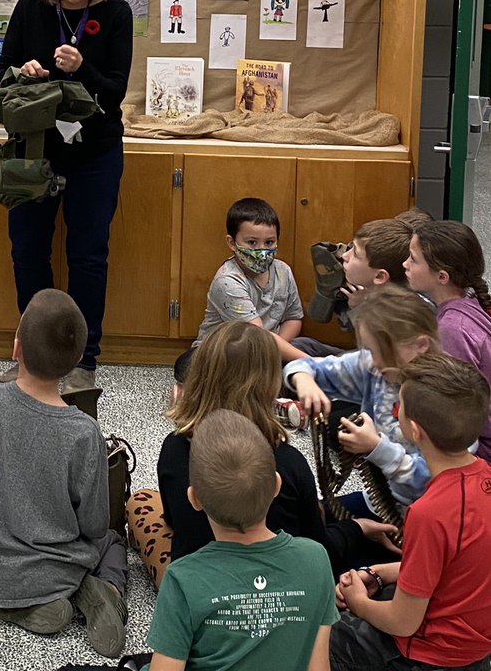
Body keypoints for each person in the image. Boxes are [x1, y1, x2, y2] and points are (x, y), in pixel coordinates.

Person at [131, 323, 397, 589]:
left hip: (202, 581)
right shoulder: (287, 461)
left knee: (140, 502)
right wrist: (357, 528)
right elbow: (318, 550)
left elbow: (175, 521)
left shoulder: (173, 447)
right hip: (282, 585)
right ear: (270, 384)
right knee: (373, 541)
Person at [0, 0, 134, 391]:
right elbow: (0, 75)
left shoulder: (116, 14)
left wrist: (83, 67)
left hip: (94, 153)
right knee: (26, 252)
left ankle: (82, 360)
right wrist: (22, 69)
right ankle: (34, 354)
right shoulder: (30, 7)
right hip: (35, 150)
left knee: (88, 255)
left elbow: (114, 92)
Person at [0, 289, 128, 659]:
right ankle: (108, 593)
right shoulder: (82, 431)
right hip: (62, 567)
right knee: (114, 541)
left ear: (16, 347)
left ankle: (19, 605)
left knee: (8, 587)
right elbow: (94, 524)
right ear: (74, 365)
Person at [332, 353, 491, 671]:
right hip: (476, 645)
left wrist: (359, 603)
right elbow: (454, 566)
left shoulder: (428, 513)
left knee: (326, 637)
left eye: (399, 404)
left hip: (430, 655)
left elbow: (403, 623)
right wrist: (378, 572)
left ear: (415, 430)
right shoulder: (484, 477)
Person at [147, 410, 338, 671]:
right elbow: (318, 667)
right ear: (276, 485)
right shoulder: (316, 558)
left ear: (194, 499)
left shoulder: (182, 578)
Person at [285, 286, 439, 510]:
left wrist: (377, 448)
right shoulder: (376, 368)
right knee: (309, 517)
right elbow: (303, 366)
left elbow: (431, 481)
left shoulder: (444, 396)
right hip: (382, 499)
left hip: (424, 514)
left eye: (378, 351)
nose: (372, 361)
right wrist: (305, 380)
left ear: (420, 345)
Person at [173, 197, 330, 384]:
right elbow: (255, 334)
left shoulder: (283, 271)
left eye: (269, 242)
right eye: (252, 243)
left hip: (269, 346)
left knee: (307, 346)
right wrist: (309, 362)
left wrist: (274, 352)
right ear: (232, 243)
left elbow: (293, 318)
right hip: (227, 351)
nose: (262, 250)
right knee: (190, 365)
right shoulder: (228, 281)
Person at [404, 219, 491, 460]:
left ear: (442, 276)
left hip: (478, 450)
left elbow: (453, 414)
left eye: (413, 259)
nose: (405, 264)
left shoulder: (452, 330)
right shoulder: (469, 302)